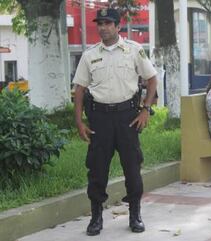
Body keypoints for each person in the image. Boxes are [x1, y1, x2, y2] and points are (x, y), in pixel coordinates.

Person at [73, 8, 157, 236]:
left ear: (118, 26)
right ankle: (96, 217)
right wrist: (79, 121)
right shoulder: (89, 55)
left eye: (108, 23)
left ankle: (135, 214)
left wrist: (145, 110)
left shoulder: (134, 50)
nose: (103, 27)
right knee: (97, 169)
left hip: (127, 117)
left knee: (132, 167)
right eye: (100, 23)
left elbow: (151, 80)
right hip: (99, 119)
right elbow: (79, 89)